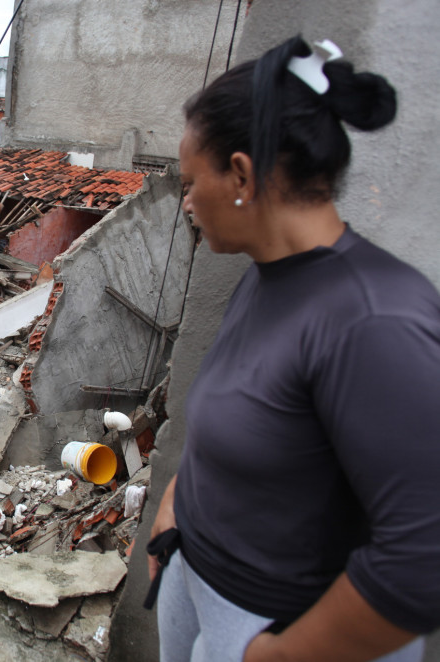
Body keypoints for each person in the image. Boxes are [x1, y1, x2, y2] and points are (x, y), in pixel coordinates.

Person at [147, 36, 440, 661]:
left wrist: (275, 655)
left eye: (191, 182)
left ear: (242, 176)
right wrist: (174, 510)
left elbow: (422, 558)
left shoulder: (374, 319)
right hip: (195, 575)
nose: (187, 203)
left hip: (277, 625)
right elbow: (241, 413)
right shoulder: (265, 273)